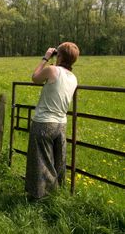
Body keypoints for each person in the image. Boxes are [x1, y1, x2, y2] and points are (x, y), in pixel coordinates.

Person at [25, 42, 80, 200]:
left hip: (43, 122)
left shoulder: (52, 70)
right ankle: (56, 195)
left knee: (40, 161)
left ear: (60, 56)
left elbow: (35, 78)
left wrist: (45, 58)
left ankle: (38, 197)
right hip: (61, 124)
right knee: (57, 161)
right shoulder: (73, 78)